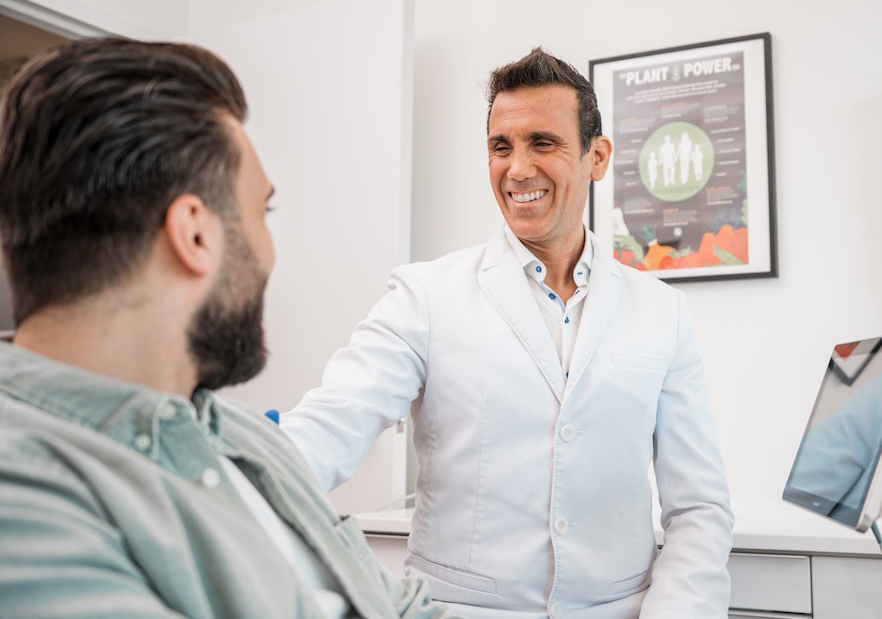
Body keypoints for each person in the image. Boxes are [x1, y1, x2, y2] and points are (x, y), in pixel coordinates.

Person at [0, 38, 466, 619]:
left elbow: (399, 608)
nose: (270, 250)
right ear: (195, 236)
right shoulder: (24, 499)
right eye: (261, 213)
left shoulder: (246, 439)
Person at [281, 47, 735, 618]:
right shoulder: (425, 296)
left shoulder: (661, 312)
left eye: (542, 142)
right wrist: (221, 474)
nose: (518, 169)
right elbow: (332, 422)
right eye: (502, 146)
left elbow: (699, 508)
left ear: (597, 157)